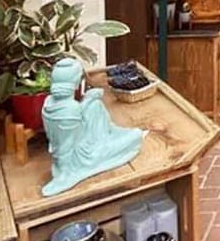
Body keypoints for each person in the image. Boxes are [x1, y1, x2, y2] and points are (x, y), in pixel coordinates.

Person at [41, 57, 145, 196]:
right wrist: (63, 176)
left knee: (95, 104)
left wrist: (89, 100)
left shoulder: (49, 102)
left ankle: (111, 131)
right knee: (136, 135)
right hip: (83, 157)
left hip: (83, 143)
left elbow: (76, 124)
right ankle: (111, 138)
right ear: (74, 81)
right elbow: (65, 147)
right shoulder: (70, 109)